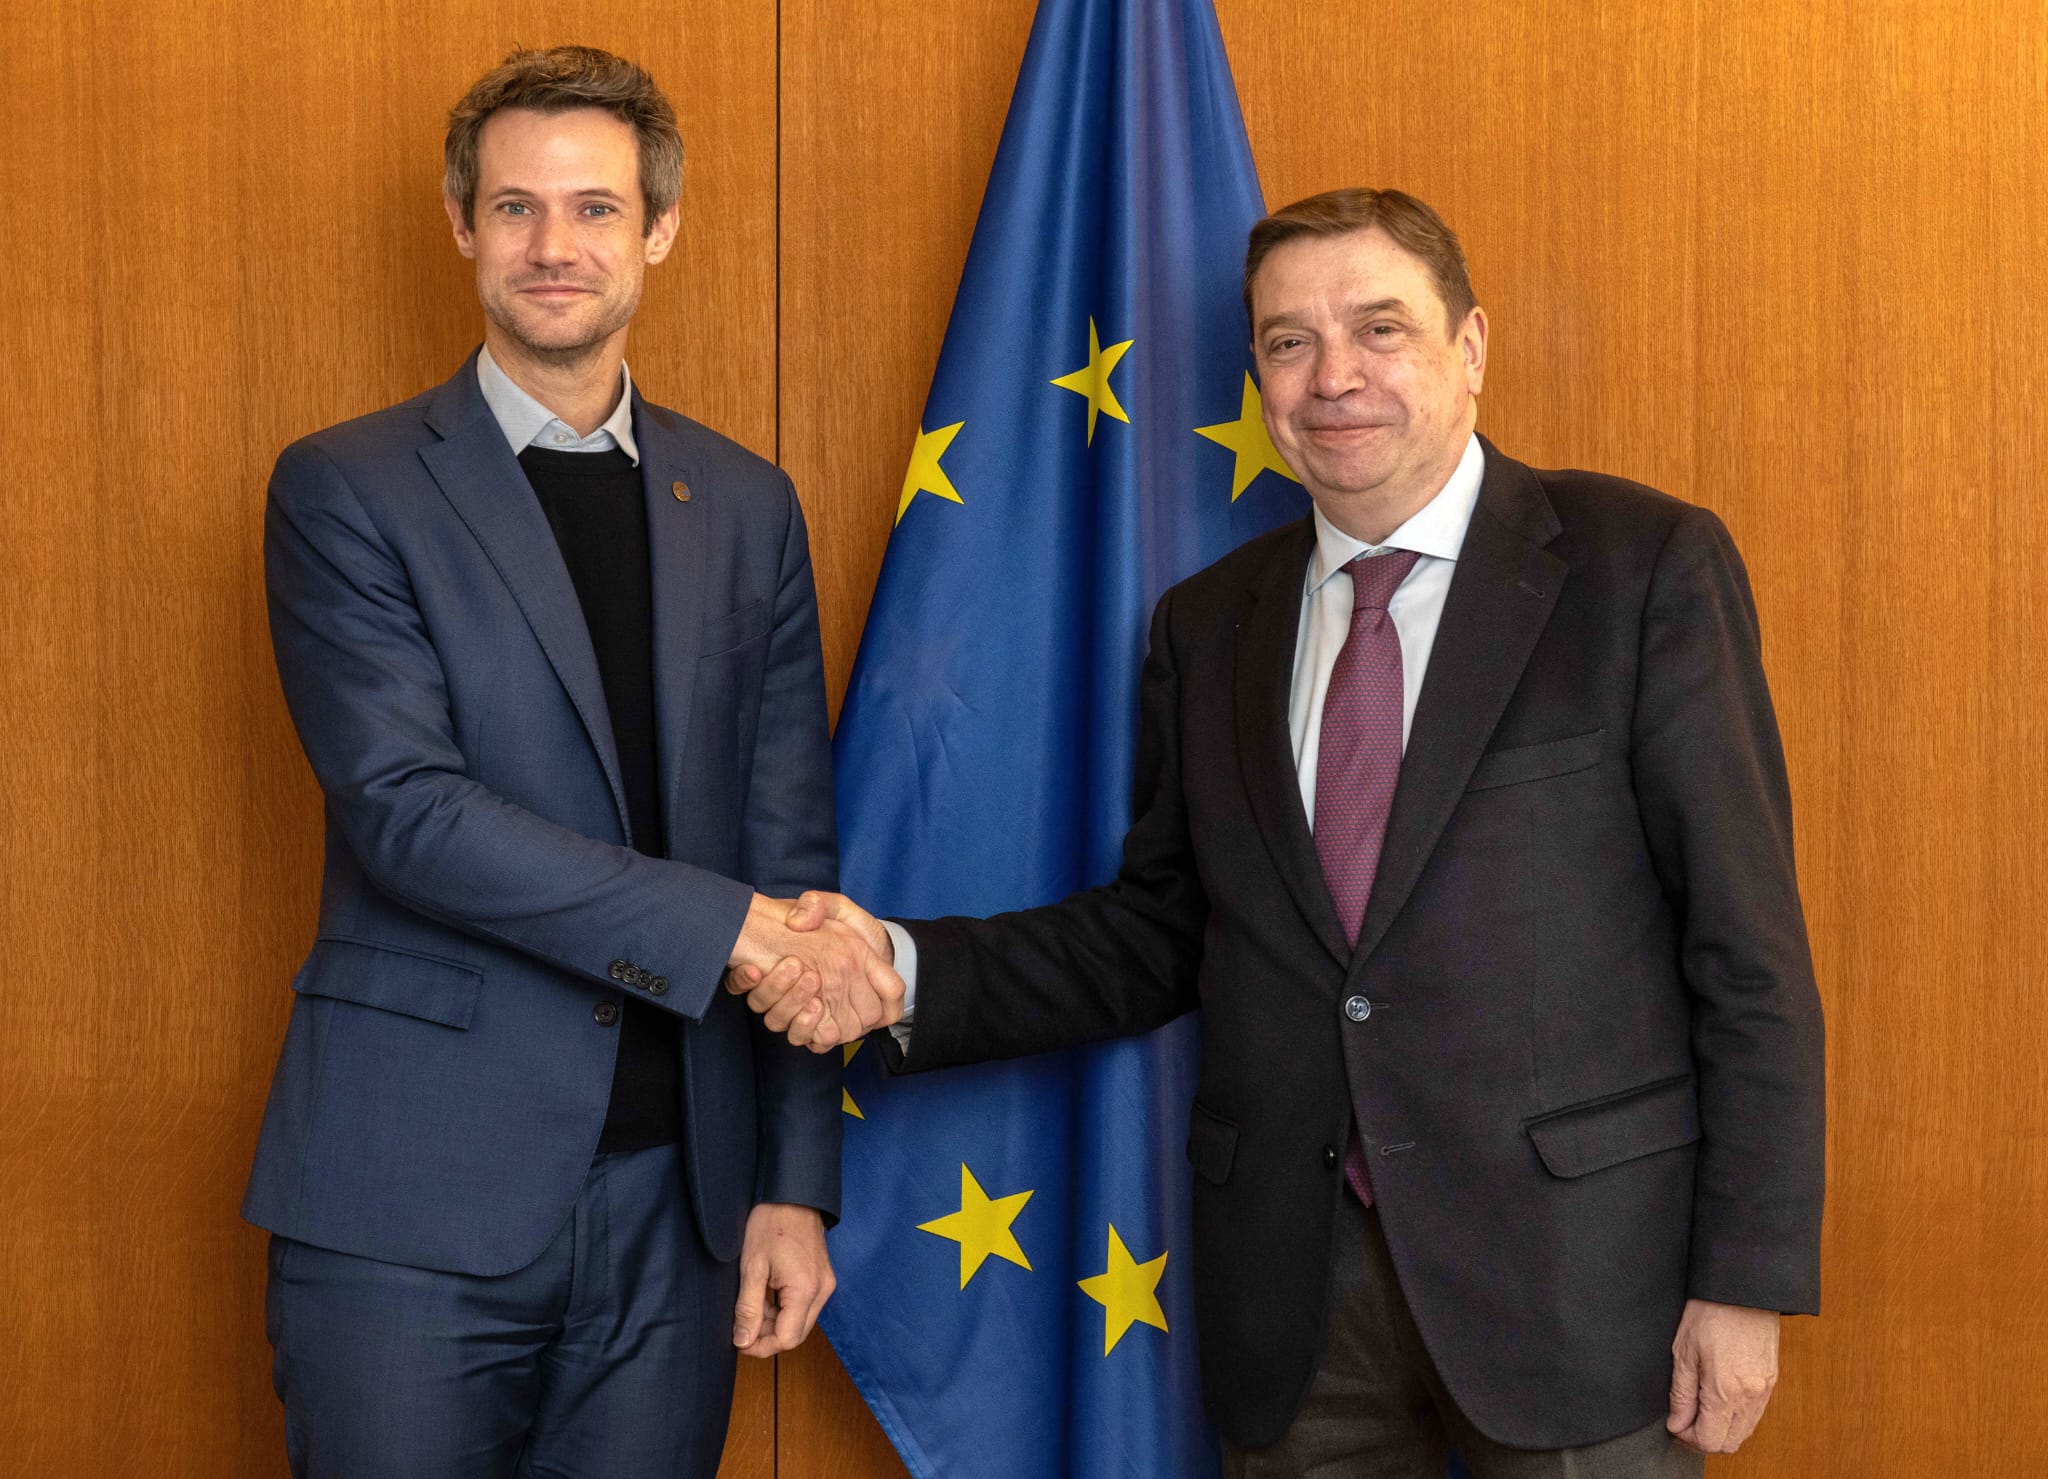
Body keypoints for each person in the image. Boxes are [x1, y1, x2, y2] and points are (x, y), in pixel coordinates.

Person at [738, 189, 1824, 1477]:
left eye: (1380, 329)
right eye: (1289, 342)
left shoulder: (1640, 567)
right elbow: (1156, 935)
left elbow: (1746, 953)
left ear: (1471, 347)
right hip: (1298, 1304)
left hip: (1581, 1292)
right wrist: (897, 969)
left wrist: (1745, 1279)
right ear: (1258, 381)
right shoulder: (1211, 624)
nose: (1334, 376)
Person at [243, 45, 897, 1478]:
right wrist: (731, 932)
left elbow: (790, 850)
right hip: (410, 1201)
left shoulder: (748, 504)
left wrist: (794, 1182)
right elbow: (409, 816)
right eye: (517, 207)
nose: (556, 245)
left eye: (595, 208)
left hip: (682, 1209)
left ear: (658, 229)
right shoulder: (347, 488)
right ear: (461, 225)